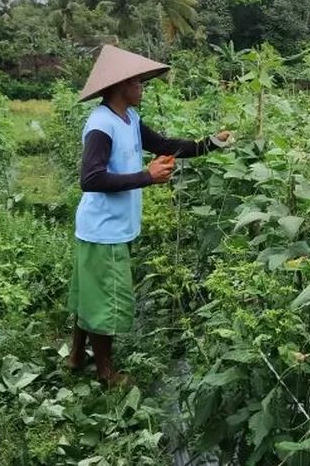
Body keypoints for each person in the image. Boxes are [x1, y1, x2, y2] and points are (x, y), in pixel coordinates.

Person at [66, 45, 231, 387]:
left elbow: (165, 145)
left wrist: (210, 143)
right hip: (103, 230)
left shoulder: (130, 119)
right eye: (137, 82)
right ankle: (107, 374)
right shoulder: (101, 125)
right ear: (119, 85)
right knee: (105, 302)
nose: (142, 87)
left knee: (90, 294)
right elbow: (90, 179)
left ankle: (76, 356)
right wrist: (147, 176)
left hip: (109, 227)